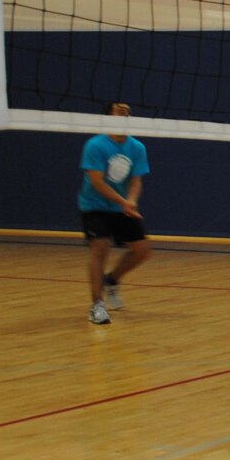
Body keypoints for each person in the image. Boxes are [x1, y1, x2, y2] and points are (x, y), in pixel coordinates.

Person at [78, 101, 154, 326]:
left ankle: (111, 280)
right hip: (94, 206)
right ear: (109, 118)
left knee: (142, 251)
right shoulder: (96, 145)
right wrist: (123, 202)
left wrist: (131, 201)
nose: (126, 115)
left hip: (121, 207)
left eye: (128, 112)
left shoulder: (137, 148)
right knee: (100, 248)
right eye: (120, 112)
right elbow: (97, 182)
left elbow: (136, 180)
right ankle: (97, 305)